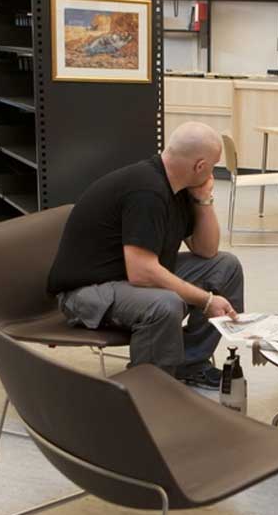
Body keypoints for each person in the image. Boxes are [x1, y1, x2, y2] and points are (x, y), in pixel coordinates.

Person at [48, 122, 244, 389]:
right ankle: (150, 389)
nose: (212, 172)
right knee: (164, 304)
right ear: (199, 166)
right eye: (212, 166)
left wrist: (203, 200)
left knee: (225, 266)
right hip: (86, 293)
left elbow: (206, 249)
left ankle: (189, 362)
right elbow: (141, 272)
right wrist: (206, 299)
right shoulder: (147, 191)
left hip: (124, 278)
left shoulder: (178, 186)